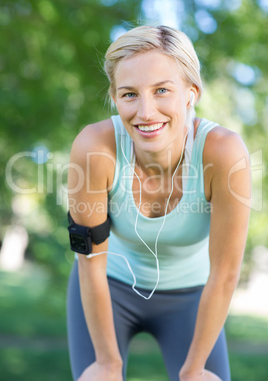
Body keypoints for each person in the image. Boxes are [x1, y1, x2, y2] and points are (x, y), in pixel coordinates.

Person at [66, 25, 251, 381]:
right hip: (108, 285)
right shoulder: (94, 148)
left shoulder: (224, 153)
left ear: (191, 93)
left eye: (162, 90)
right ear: (115, 97)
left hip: (193, 297)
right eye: (130, 94)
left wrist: (195, 369)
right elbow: (89, 261)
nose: (146, 112)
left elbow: (226, 272)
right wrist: (107, 363)